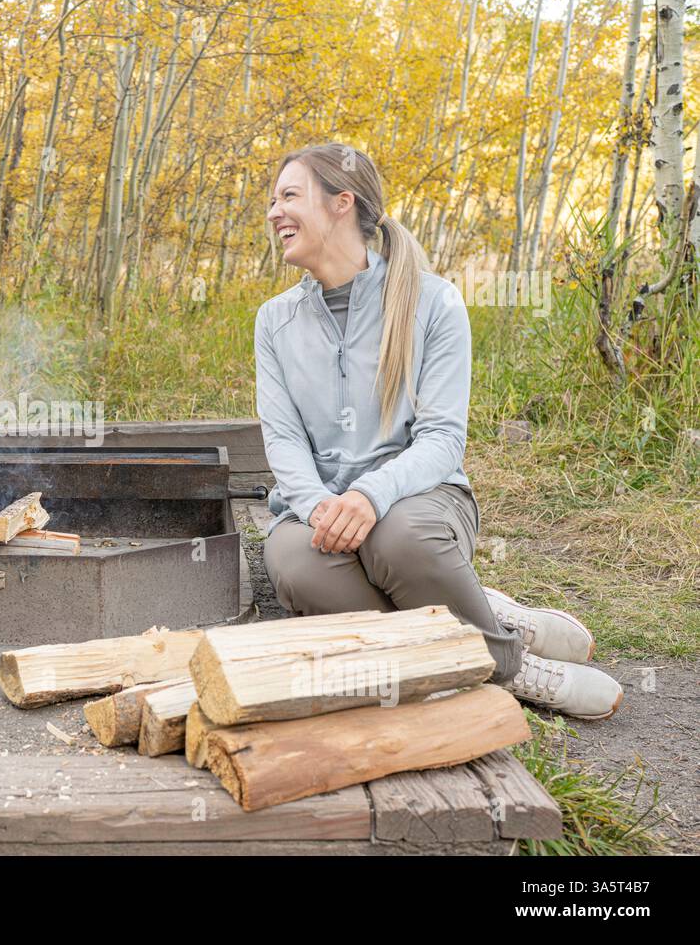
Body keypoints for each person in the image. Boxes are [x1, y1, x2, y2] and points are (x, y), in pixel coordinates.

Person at [255, 142, 622, 720]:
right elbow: (282, 441)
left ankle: (507, 666)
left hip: (421, 499)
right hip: (316, 509)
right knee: (299, 566)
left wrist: (369, 496)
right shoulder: (275, 320)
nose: (273, 211)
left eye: (289, 196)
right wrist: (321, 504)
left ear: (341, 203)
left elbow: (443, 439)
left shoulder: (433, 301)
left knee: (397, 540)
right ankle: (481, 618)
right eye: (272, 199)